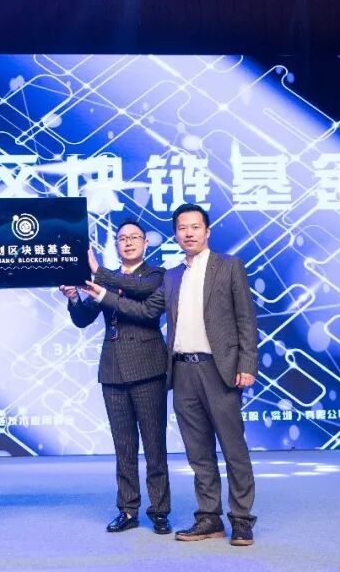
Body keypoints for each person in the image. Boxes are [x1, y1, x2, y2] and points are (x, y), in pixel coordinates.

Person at [83, 203, 258, 546]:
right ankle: (209, 518)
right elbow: (144, 310)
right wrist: (101, 293)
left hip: (219, 369)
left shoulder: (229, 266)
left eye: (195, 227)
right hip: (181, 371)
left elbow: (245, 320)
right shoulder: (173, 276)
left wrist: (247, 364)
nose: (188, 233)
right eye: (182, 228)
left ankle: (241, 519)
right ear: (175, 234)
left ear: (207, 231)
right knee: (198, 452)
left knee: (233, 448)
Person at [59, 219, 172, 535]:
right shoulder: (107, 280)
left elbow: (141, 294)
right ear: (117, 245)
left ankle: (159, 511)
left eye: (135, 237)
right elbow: (84, 319)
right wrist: (73, 297)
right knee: (124, 447)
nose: (129, 242)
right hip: (112, 370)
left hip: (148, 368)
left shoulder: (156, 275)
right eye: (123, 238)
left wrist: (97, 272)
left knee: (154, 445)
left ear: (145, 244)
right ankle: (128, 509)